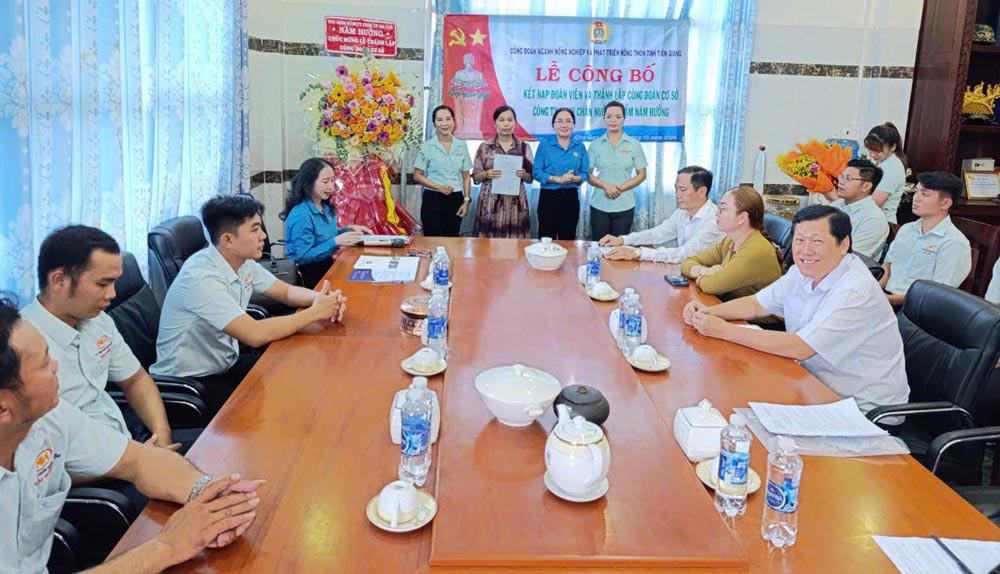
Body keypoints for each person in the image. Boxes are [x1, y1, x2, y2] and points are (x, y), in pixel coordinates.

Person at [0, 293, 263, 573]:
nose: (56, 366)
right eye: (43, 364)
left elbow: (139, 460)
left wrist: (208, 494)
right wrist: (167, 546)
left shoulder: (50, 417)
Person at [682, 205, 909, 416]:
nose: (806, 250)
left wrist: (722, 330)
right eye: (799, 240)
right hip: (810, 382)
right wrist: (709, 313)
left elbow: (801, 348)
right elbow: (755, 304)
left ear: (844, 244)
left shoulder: (855, 290)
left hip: (859, 408)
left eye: (817, 241)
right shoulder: (802, 272)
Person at [151, 195, 347, 411]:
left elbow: (287, 292)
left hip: (226, 362)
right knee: (278, 406)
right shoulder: (201, 278)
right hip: (192, 383)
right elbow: (254, 334)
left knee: (298, 372)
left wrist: (321, 299)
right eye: (255, 229)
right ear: (228, 240)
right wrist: (314, 313)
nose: (263, 236)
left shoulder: (240, 262)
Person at [20, 226, 199, 452]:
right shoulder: (22, 346)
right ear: (59, 280)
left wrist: (162, 434)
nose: (112, 294)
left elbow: (135, 380)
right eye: (102, 284)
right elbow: (37, 461)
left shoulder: (97, 321)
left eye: (115, 282)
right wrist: (139, 462)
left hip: (126, 440)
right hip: (92, 471)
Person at [880, 171, 971, 306]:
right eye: (916, 192)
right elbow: (888, 265)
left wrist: (889, 301)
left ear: (945, 203)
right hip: (887, 299)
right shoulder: (906, 229)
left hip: (917, 309)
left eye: (924, 194)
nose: (916, 198)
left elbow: (937, 294)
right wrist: (875, 290)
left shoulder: (953, 243)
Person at [680, 186, 783, 301]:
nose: (716, 213)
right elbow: (687, 262)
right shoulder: (730, 241)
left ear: (742, 217)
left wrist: (698, 276)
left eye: (723, 209)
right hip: (732, 312)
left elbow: (711, 285)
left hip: (751, 318)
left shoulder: (755, 251)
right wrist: (704, 271)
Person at [600, 165, 723, 262]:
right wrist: (622, 240)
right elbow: (658, 233)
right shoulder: (682, 212)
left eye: (682, 190)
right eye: (676, 189)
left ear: (702, 192)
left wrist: (638, 253)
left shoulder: (713, 219)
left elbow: (685, 254)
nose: (677, 195)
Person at [282, 158, 372, 288]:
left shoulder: (324, 206)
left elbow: (326, 237)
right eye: (325, 182)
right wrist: (336, 242)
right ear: (309, 182)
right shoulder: (301, 214)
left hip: (326, 266)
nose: (331, 187)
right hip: (307, 275)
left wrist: (348, 231)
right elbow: (301, 257)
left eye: (332, 180)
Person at [471, 106, 535, 238]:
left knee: (514, 243)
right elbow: (476, 177)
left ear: (515, 123)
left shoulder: (524, 147)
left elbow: (531, 178)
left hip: (516, 202)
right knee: (487, 245)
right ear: (495, 124)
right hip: (490, 202)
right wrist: (486, 174)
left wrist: (524, 175)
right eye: (501, 120)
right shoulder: (485, 147)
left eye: (510, 120)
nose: (506, 124)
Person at [587, 101, 648, 239]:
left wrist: (619, 188)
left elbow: (642, 174)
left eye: (617, 117)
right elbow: (587, 175)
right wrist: (606, 186)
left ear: (624, 119)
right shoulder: (595, 145)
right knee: (599, 245)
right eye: (609, 117)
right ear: (604, 119)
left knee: (619, 248)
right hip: (600, 204)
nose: (613, 120)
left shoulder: (634, 144)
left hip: (625, 204)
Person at [413, 105, 472, 237]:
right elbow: (417, 176)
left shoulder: (461, 146)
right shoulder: (427, 146)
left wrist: (466, 200)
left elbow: (466, 176)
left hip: (455, 198)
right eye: (439, 120)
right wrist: (438, 186)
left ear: (454, 121)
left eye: (448, 119)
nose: (444, 123)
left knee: (452, 240)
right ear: (434, 123)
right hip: (432, 198)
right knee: (431, 240)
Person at [533, 107, 590, 240]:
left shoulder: (580, 147)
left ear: (574, 125)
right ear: (553, 125)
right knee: (546, 239)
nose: (564, 125)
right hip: (548, 198)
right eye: (559, 121)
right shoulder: (545, 145)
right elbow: (536, 172)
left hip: (570, 198)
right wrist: (557, 179)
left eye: (568, 121)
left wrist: (574, 178)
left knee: (568, 239)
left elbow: (585, 173)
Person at [824, 158, 889, 260]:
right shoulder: (836, 205)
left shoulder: (874, 219)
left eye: (848, 178)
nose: (841, 182)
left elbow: (852, 258)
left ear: (866, 186)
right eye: (842, 177)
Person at [863, 122, 908, 224]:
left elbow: (875, 202)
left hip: (882, 221)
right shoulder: (877, 160)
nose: (872, 154)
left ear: (892, 147)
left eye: (877, 151)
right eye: (870, 150)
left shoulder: (893, 168)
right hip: (868, 216)